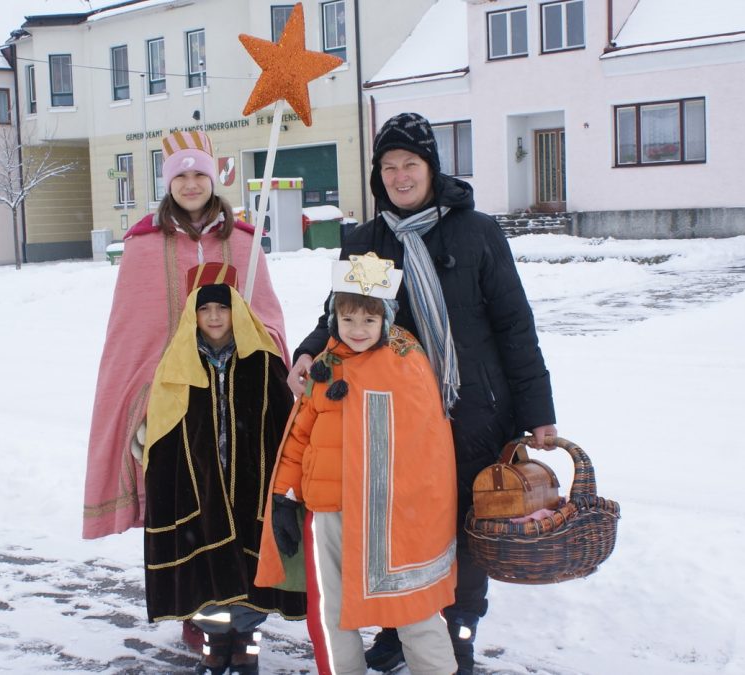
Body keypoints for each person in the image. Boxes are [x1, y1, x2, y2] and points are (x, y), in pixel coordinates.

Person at [286, 112, 558, 675]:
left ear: (431, 168)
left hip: (471, 412)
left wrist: (539, 414)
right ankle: (396, 629)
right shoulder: (367, 241)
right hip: (390, 418)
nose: (400, 175)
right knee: (393, 523)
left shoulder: (477, 231)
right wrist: (308, 352)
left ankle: (457, 632)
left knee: (462, 526)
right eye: (388, 166)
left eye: (410, 164)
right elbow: (339, 321)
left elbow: (514, 325)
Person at [82, 129, 290, 654]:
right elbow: (130, 336)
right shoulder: (144, 246)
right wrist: (142, 402)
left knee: (241, 508)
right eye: (181, 175)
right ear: (168, 182)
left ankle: (241, 610)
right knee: (187, 508)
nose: (192, 183)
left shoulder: (244, 239)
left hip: (237, 402)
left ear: (215, 177)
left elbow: (268, 320)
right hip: (178, 404)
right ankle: (196, 609)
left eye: (200, 173)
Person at [257, 253, 459, 675]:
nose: (358, 330)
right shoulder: (325, 364)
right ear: (334, 320)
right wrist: (282, 496)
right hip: (327, 511)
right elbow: (299, 436)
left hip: (390, 519)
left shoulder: (407, 363)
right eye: (348, 320)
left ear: (385, 319)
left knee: (414, 604)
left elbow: (427, 448)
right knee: (329, 611)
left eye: (369, 320)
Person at [142, 263, 305, 674]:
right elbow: (162, 425)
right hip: (200, 486)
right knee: (207, 565)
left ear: (236, 311)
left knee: (252, 567)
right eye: (205, 309)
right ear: (193, 316)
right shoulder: (178, 365)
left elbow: (284, 425)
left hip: (251, 482)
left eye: (222, 308)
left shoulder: (263, 362)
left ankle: (246, 646)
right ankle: (216, 644)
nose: (214, 317)